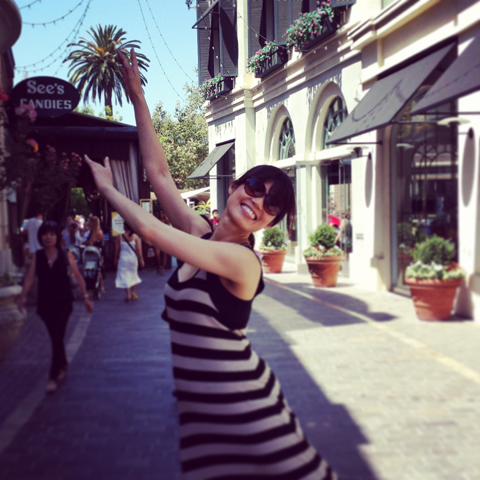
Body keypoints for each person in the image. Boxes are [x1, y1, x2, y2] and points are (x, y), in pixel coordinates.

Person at [84, 48, 339, 480]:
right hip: (203, 417)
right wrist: (139, 98)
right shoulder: (200, 231)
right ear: (236, 185)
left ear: (272, 221)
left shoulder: (243, 262)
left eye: (272, 205)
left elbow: (149, 230)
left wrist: (109, 190)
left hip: (249, 412)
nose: (258, 202)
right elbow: (159, 175)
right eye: (255, 187)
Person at [17, 222, 93, 394]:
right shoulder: (37, 255)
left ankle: (53, 376)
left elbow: (77, 275)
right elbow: (30, 278)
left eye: (52, 234)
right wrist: (22, 297)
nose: (48, 237)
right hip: (45, 304)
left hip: (63, 303)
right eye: (45, 234)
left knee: (57, 337)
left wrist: (86, 298)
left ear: (57, 236)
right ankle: (63, 363)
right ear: (40, 237)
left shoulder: (66, 254)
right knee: (56, 337)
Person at [114, 222, 144, 302]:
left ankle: (128, 294)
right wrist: (141, 259)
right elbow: (139, 250)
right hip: (133, 259)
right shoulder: (135, 237)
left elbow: (116, 249)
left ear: (125, 227)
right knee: (133, 275)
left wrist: (115, 258)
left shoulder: (120, 236)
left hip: (123, 259)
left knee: (124, 276)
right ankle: (133, 293)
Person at [85, 216, 105, 294]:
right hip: (92, 251)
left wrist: (85, 242)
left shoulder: (98, 232)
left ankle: (101, 286)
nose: (89, 223)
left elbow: (91, 242)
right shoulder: (92, 231)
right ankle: (95, 286)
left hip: (96, 252)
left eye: (90, 221)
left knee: (97, 269)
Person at [154, 210, 170, 274]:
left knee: (164, 255)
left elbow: (168, 230)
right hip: (157, 238)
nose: (161, 214)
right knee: (157, 254)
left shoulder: (166, 222)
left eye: (162, 213)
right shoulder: (157, 221)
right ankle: (159, 266)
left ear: (164, 214)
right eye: (160, 213)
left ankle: (163, 268)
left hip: (164, 239)